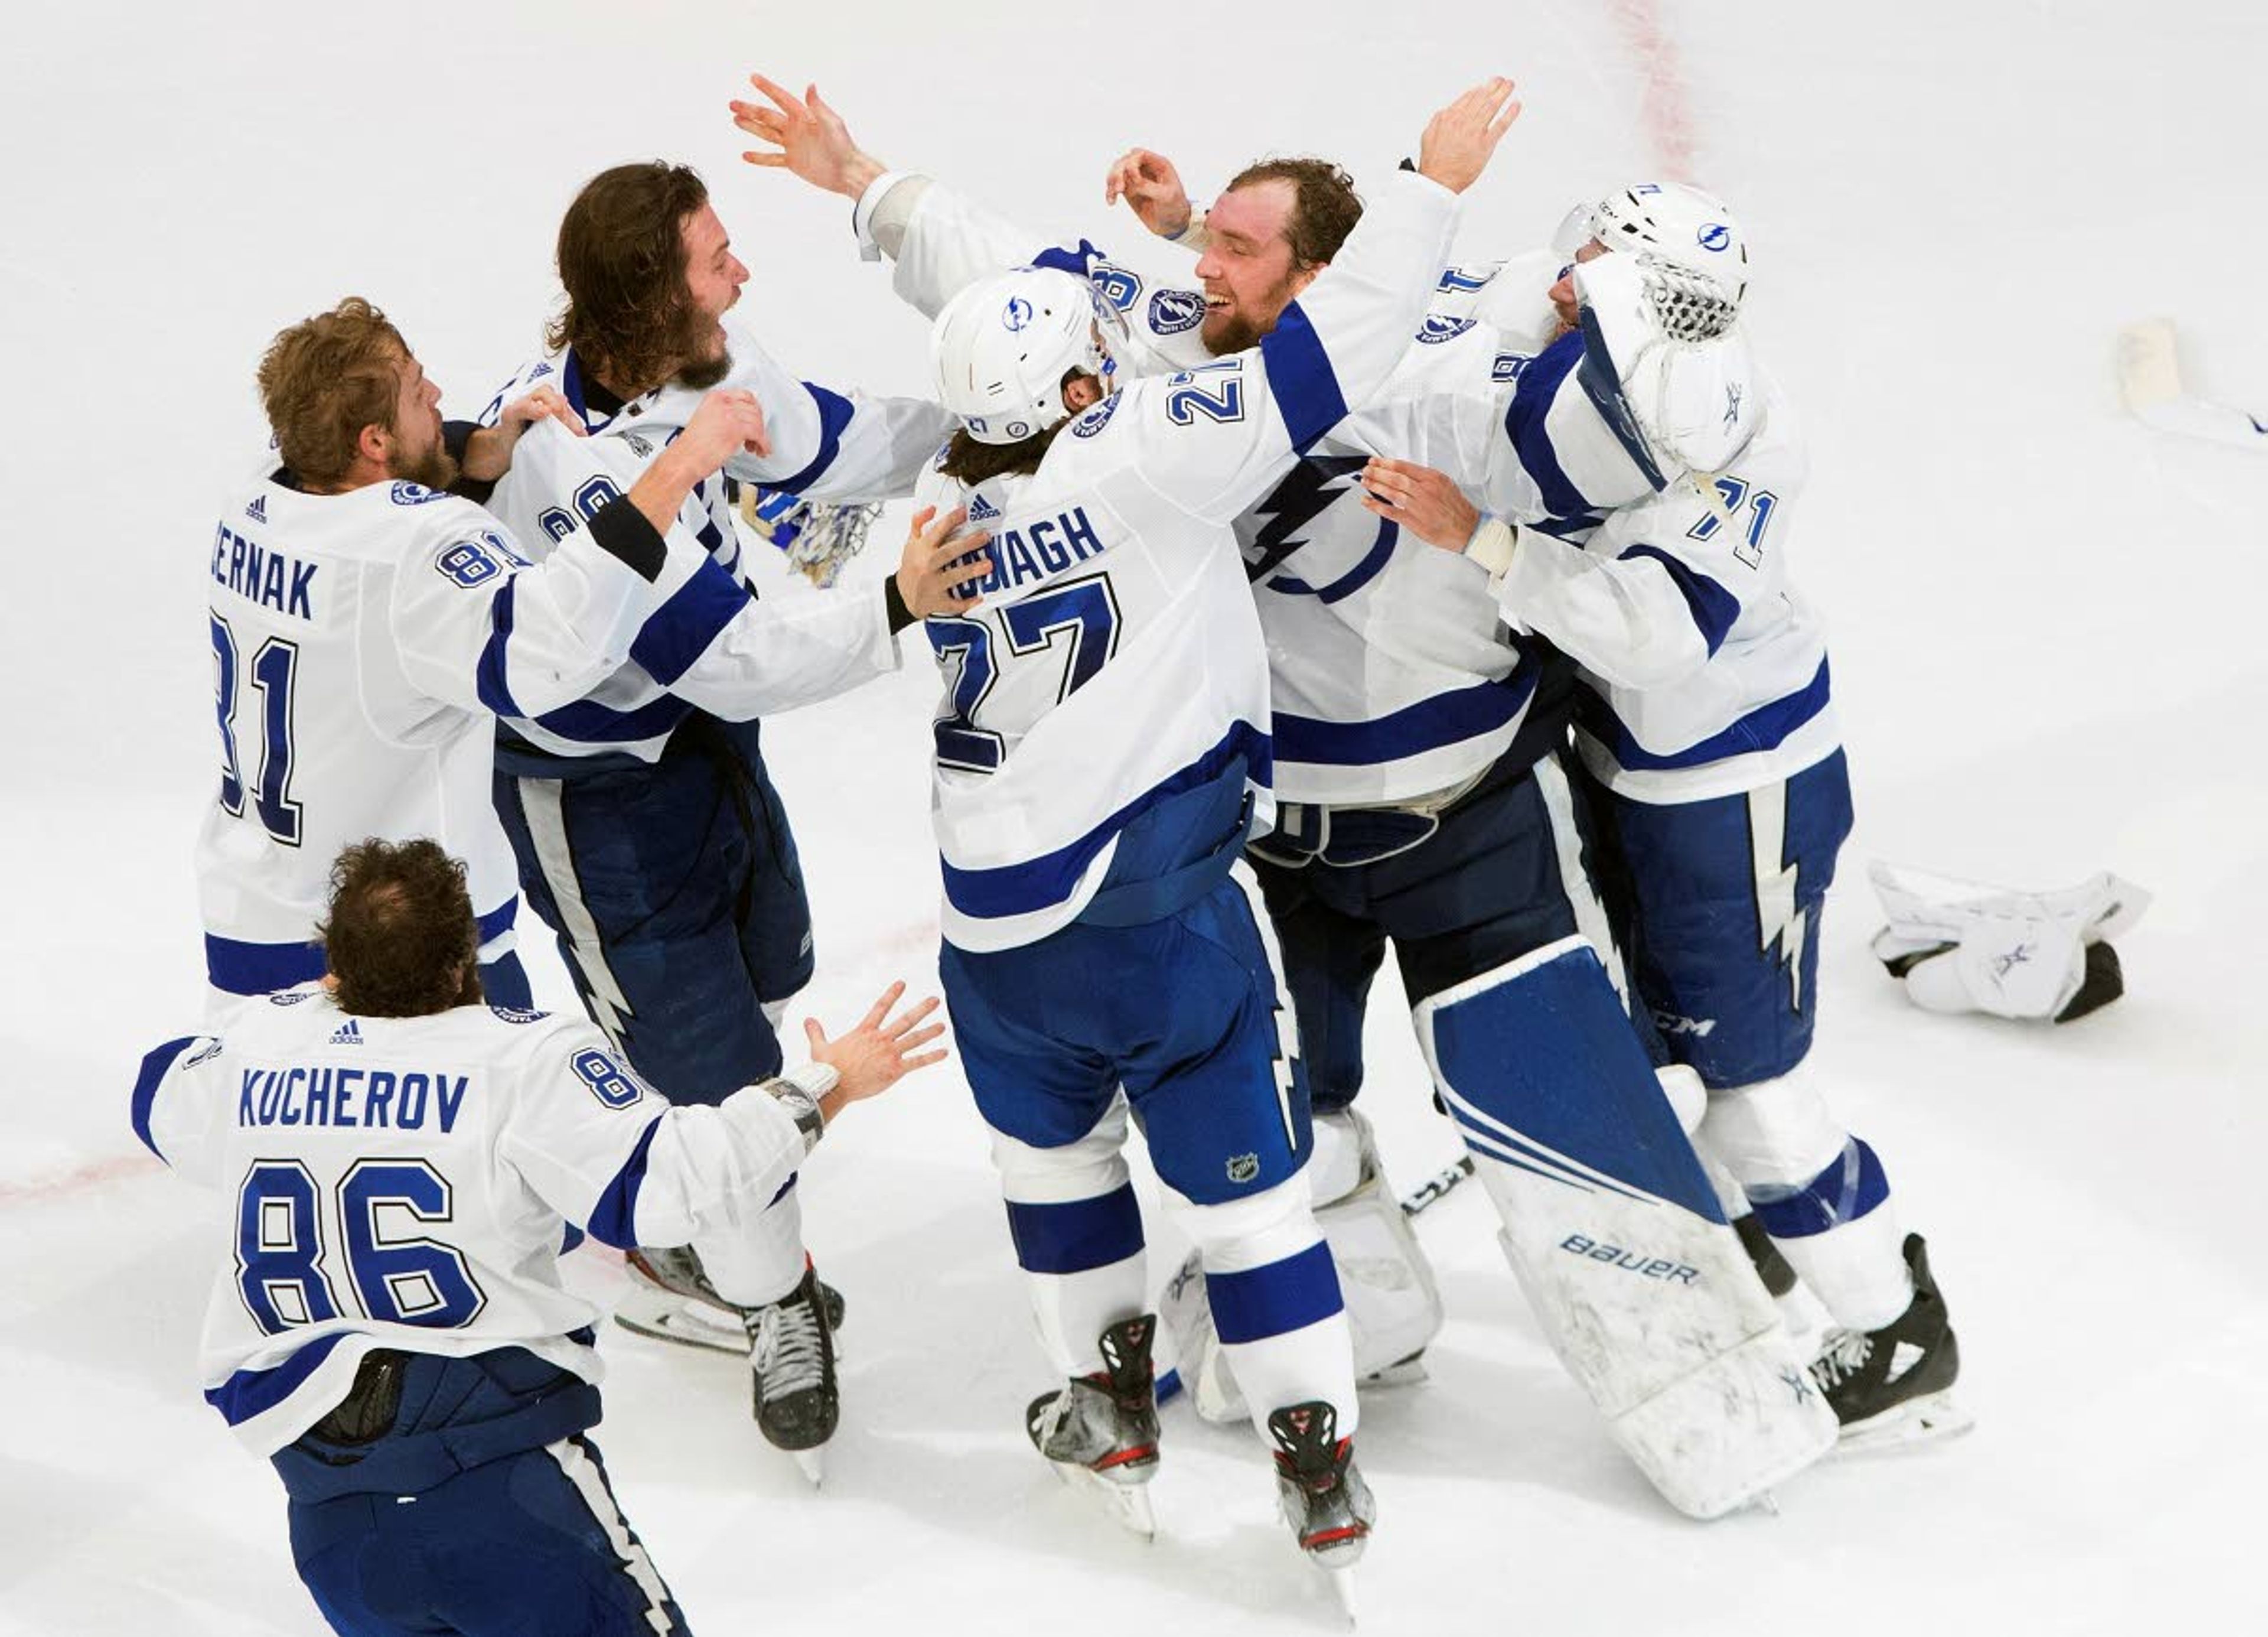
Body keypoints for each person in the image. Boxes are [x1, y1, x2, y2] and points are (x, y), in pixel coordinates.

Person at [735, 82, 1840, 1521]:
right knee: (1287, 1128)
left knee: (1569, 1122)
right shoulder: (1185, 363)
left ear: (1323, 276)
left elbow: (1636, 424)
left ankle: (1713, 1397)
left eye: (1233, 248)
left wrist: (1672, 429)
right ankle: (1354, 1339)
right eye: (1201, 246)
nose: (1193, 275)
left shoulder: (1452, 375)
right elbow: (1021, 283)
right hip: (1285, 849)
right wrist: (865, 180)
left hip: (1467, 822)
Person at [885, 83, 1516, 1607]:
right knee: (1250, 1203)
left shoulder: (932, 516)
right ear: (1079, 384)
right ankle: (1318, 1467)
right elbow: (1320, 352)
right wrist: (1426, 185)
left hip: (993, 944)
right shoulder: (1146, 451)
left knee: (1057, 1169)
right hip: (1163, 914)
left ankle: (1110, 1414)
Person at [1376, 181, 1967, 1448]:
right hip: (1633, 771)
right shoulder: (1575, 305)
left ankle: (1897, 1329)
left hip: (1733, 785)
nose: (1567, 263)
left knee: (1756, 1086)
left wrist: (1482, 538)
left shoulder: (1727, 421)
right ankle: (1746, 1237)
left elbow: (1653, 636)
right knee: (1664, 1045)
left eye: (1592, 256)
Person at [472, 160, 979, 1475]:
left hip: (702, 752)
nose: (741, 273)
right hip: (596, 803)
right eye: (714, 258)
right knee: (720, 1069)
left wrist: (994, 420)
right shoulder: (564, 469)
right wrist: (897, 605)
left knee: (764, 979)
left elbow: (837, 438)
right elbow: (737, 655)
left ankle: (670, 1215)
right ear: (652, 298)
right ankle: (774, 1299)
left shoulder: (706, 356)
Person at [132, 837, 944, 1637]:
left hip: (331, 1522)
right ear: (463, 963)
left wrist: (304, 1035)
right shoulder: (521, 1059)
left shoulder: (254, 1048)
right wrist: (829, 1082)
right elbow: (676, 1183)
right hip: (501, 1493)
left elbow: (156, 1091)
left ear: (332, 964)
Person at [198, 297, 771, 1021]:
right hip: (397, 945)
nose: (438, 395)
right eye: (416, 389)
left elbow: (371, 527)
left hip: (250, 922)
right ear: (375, 441)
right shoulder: (415, 547)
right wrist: (680, 464)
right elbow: (554, 650)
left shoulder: (254, 495)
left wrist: (477, 457)